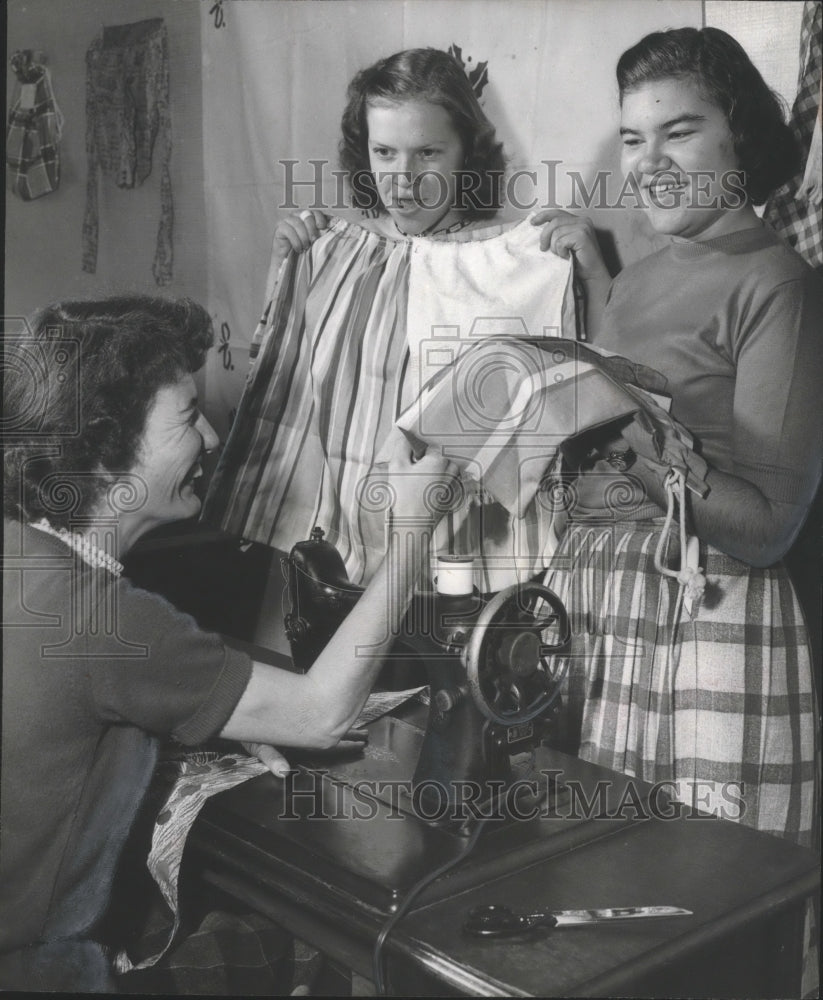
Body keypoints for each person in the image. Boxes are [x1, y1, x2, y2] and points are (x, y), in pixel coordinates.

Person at [0, 295, 452, 991]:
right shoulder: (103, 617)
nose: (212, 438)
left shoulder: (22, 557)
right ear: (103, 447)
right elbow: (321, 713)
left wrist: (197, 720)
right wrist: (412, 538)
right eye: (187, 418)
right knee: (321, 954)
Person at [531, 28, 821, 984]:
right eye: (631, 139)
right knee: (603, 914)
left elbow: (768, 524)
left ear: (737, 137)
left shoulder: (778, 284)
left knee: (703, 917)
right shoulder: (644, 274)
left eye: (678, 133)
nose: (648, 164)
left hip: (705, 618)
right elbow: (646, 384)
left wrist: (632, 432)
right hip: (600, 611)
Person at [202, 47, 576, 593]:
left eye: (428, 152)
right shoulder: (335, 251)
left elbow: (556, 409)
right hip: (338, 550)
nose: (403, 178)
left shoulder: (515, 261)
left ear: (466, 152)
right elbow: (285, 390)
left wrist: (580, 271)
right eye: (384, 152)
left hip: (461, 554)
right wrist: (283, 276)